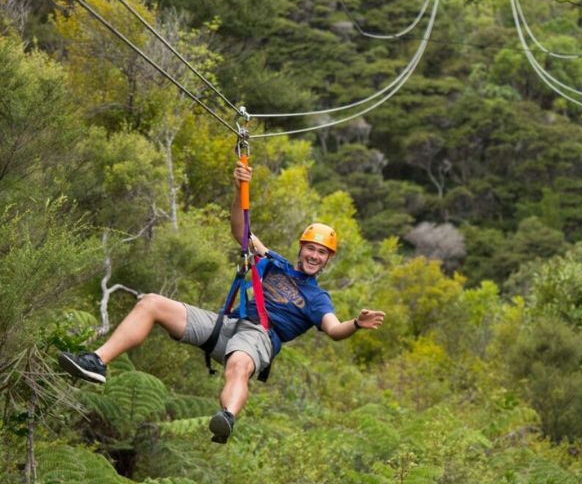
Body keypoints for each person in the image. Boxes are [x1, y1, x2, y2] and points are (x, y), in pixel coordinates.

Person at [59, 162, 386, 443]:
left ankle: (227, 416)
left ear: (328, 260)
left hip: (258, 337)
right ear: (301, 249)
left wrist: (356, 324)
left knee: (239, 363)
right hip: (228, 324)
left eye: (322, 253)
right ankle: (97, 362)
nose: (314, 256)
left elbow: (334, 329)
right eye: (311, 249)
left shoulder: (318, 299)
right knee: (151, 303)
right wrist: (239, 189)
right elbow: (241, 231)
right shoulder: (274, 263)